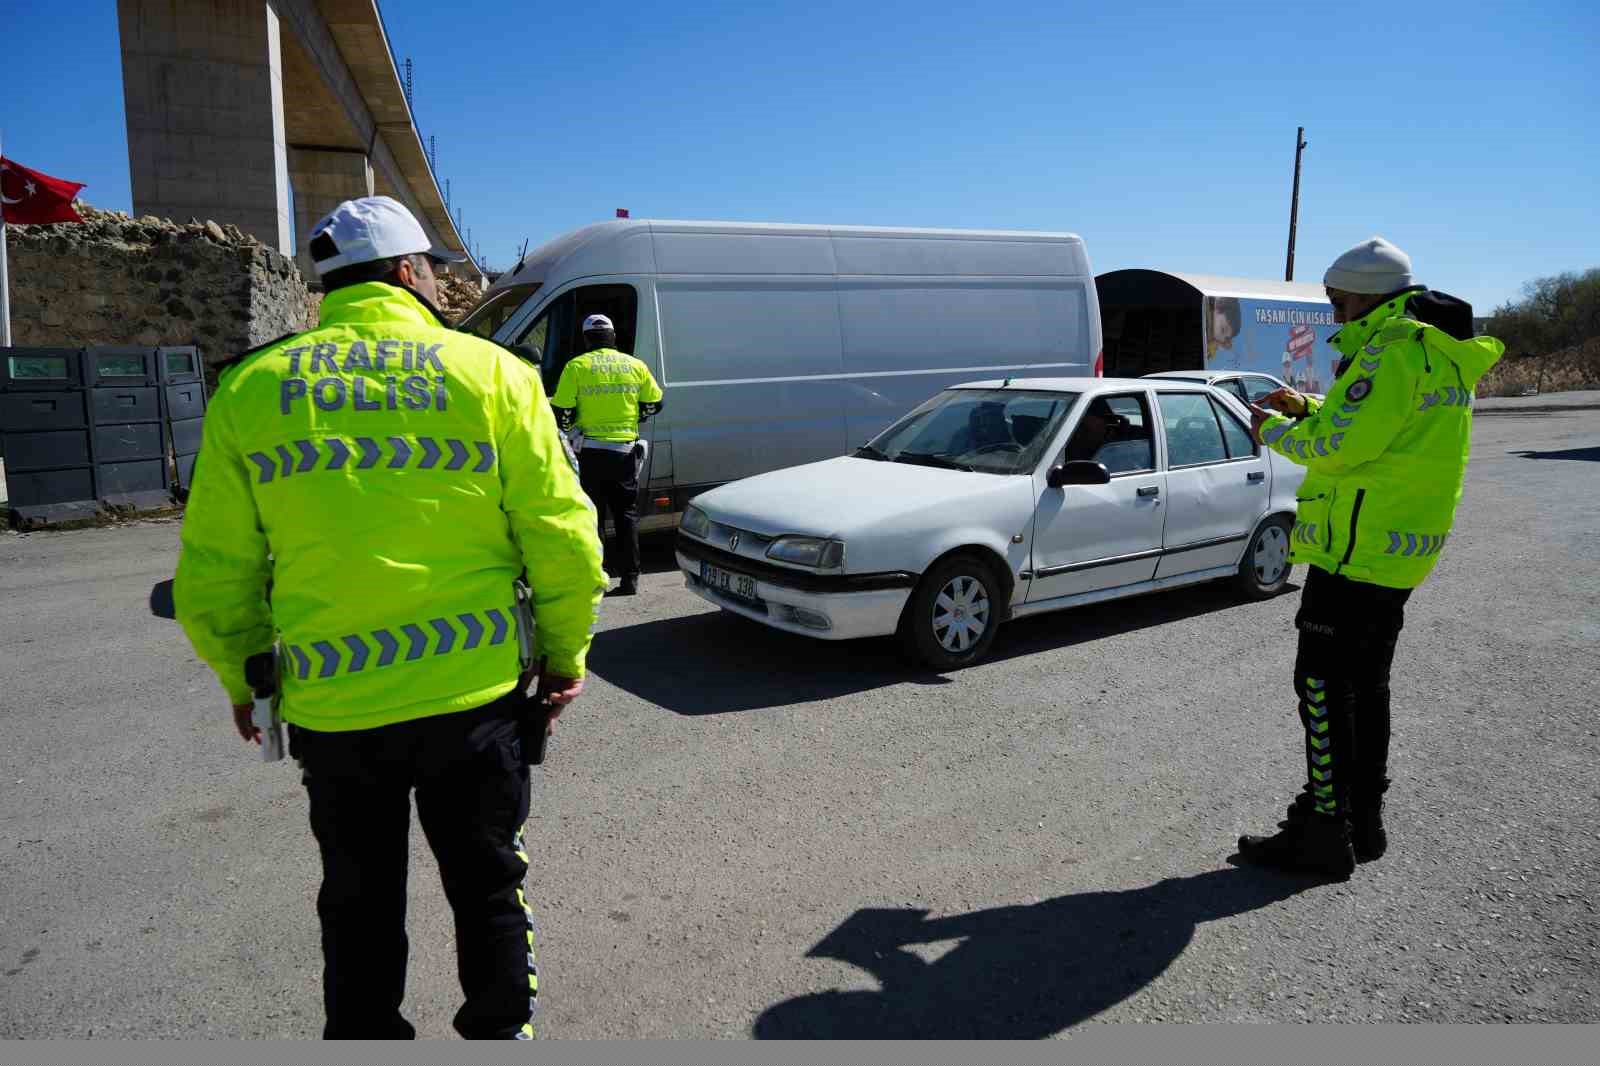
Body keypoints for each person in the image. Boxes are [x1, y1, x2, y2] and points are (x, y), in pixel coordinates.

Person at [173, 195, 606, 1038]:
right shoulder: (493, 375)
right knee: (487, 886)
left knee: (358, 899)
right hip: (472, 702)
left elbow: (215, 572)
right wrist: (565, 655)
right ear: (408, 271)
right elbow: (563, 538)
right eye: (435, 271)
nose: (441, 284)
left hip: (335, 714)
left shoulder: (251, 387)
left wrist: (243, 675)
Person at [1238, 236, 1503, 880]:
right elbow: (1382, 427)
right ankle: (1364, 823)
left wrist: (1272, 429)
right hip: (1396, 550)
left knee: (1322, 688)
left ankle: (1324, 831)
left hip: (1355, 552)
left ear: (1366, 296)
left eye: (1338, 300)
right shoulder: (1435, 348)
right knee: (1366, 686)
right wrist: (1308, 405)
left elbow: (1340, 448)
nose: (1333, 312)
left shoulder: (1389, 350)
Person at [550, 314, 663, 596]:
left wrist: (570, 427)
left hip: (590, 453)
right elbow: (655, 403)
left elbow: (562, 411)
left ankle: (596, 578)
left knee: (593, 516)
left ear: (587, 339)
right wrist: (635, 416)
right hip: (624, 453)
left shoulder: (577, 366)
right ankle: (630, 579)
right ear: (613, 337)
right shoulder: (635, 365)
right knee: (626, 515)